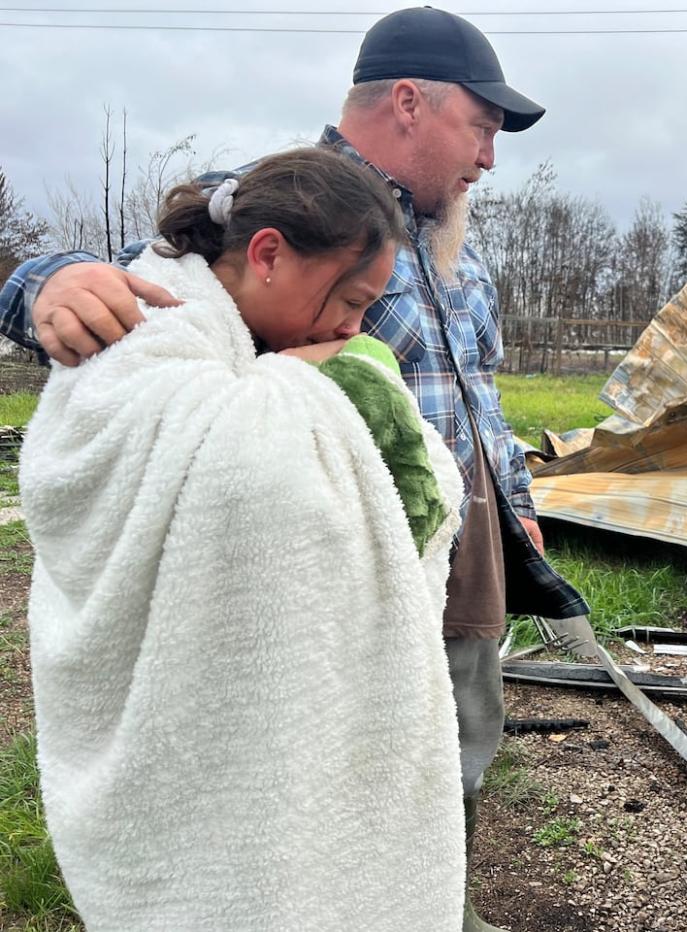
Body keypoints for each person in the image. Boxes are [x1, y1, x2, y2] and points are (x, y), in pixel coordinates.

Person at [0, 8, 588, 931]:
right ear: (409, 103)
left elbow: (482, 396)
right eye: (481, 128)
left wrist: (513, 503)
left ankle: (424, 895)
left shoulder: (457, 255)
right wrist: (46, 282)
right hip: (323, 545)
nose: (489, 157)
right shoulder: (280, 205)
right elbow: (145, 294)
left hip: (452, 534)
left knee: (448, 744)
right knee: (315, 753)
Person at [21, 147, 469, 930]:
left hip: (280, 750)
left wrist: (333, 370)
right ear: (267, 254)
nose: (354, 328)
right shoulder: (146, 323)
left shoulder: (268, 349)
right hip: (195, 756)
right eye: (349, 299)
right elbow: (86, 466)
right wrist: (325, 379)